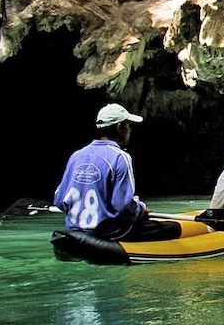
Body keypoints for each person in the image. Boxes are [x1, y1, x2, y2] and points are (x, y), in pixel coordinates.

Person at [54, 103, 180, 241]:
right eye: (128, 125)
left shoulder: (76, 156)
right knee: (173, 228)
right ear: (120, 128)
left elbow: (60, 200)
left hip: (75, 229)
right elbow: (123, 207)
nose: (130, 130)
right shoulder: (120, 157)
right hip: (109, 232)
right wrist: (141, 210)